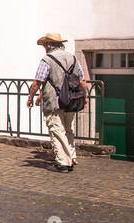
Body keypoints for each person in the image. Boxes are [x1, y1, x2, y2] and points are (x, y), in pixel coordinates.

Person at [25, 33, 91, 172]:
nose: (44, 48)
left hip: (54, 101)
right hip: (71, 99)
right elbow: (82, 80)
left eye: (44, 45)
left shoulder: (47, 59)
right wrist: (84, 98)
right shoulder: (72, 58)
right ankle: (71, 156)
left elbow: (38, 82)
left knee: (57, 129)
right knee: (68, 129)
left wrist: (30, 97)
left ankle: (63, 162)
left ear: (49, 45)